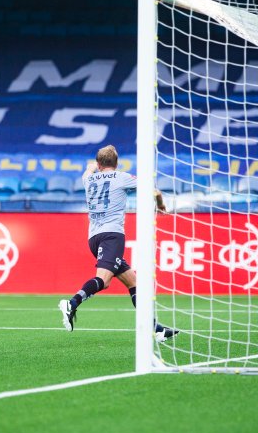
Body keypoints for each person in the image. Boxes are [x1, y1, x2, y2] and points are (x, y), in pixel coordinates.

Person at [59, 144, 178, 342]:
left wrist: (92, 167)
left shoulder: (87, 179)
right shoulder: (122, 177)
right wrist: (161, 206)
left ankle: (155, 329)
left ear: (99, 163)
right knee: (103, 281)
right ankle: (72, 303)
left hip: (94, 237)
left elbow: (88, 170)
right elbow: (154, 191)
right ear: (117, 163)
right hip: (112, 235)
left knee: (134, 282)